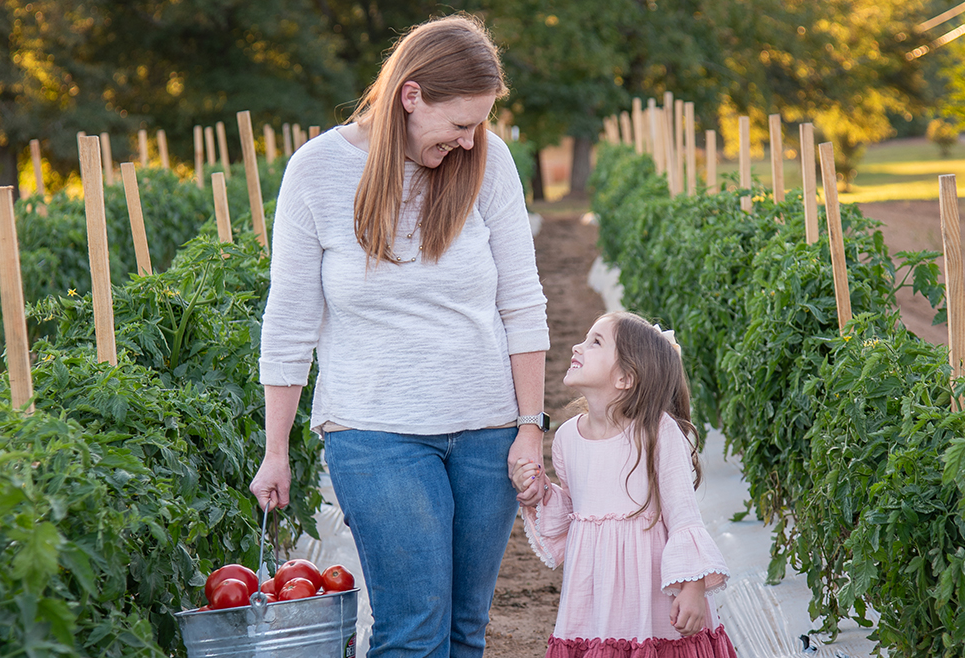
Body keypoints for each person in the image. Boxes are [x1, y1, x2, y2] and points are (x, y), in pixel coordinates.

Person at [249, 13, 551, 658]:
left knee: (464, 630)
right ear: (411, 96)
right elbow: (290, 320)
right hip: (374, 431)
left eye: (479, 125)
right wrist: (277, 448)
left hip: (487, 429)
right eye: (461, 124)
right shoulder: (318, 171)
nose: (471, 142)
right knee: (412, 629)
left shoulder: (488, 162)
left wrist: (531, 424)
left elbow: (522, 303)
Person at [511, 312, 737, 657]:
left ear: (625, 378)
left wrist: (693, 588)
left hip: (651, 599)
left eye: (595, 342)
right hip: (595, 598)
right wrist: (540, 490)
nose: (578, 347)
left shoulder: (657, 433)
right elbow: (575, 512)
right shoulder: (568, 437)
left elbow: (684, 517)